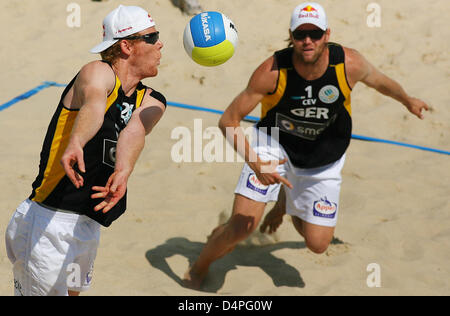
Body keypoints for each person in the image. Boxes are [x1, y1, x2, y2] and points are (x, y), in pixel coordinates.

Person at [183, 2, 429, 289]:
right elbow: (228, 121)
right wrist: (255, 162)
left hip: (324, 155)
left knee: (318, 244)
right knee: (241, 228)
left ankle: (286, 204)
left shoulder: (349, 64)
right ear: (291, 35)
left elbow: (381, 82)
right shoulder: (272, 70)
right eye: (301, 35)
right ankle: (199, 267)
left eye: (314, 33)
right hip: (273, 146)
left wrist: (408, 100)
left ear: (327, 34)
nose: (307, 41)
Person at [5, 5, 166, 296]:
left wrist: (124, 170)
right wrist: (77, 142)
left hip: (87, 227)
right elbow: (94, 103)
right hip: (48, 221)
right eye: (152, 36)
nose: (160, 43)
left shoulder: (153, 100)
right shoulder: (97, 72)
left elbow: (134, 131)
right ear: (127, 46)